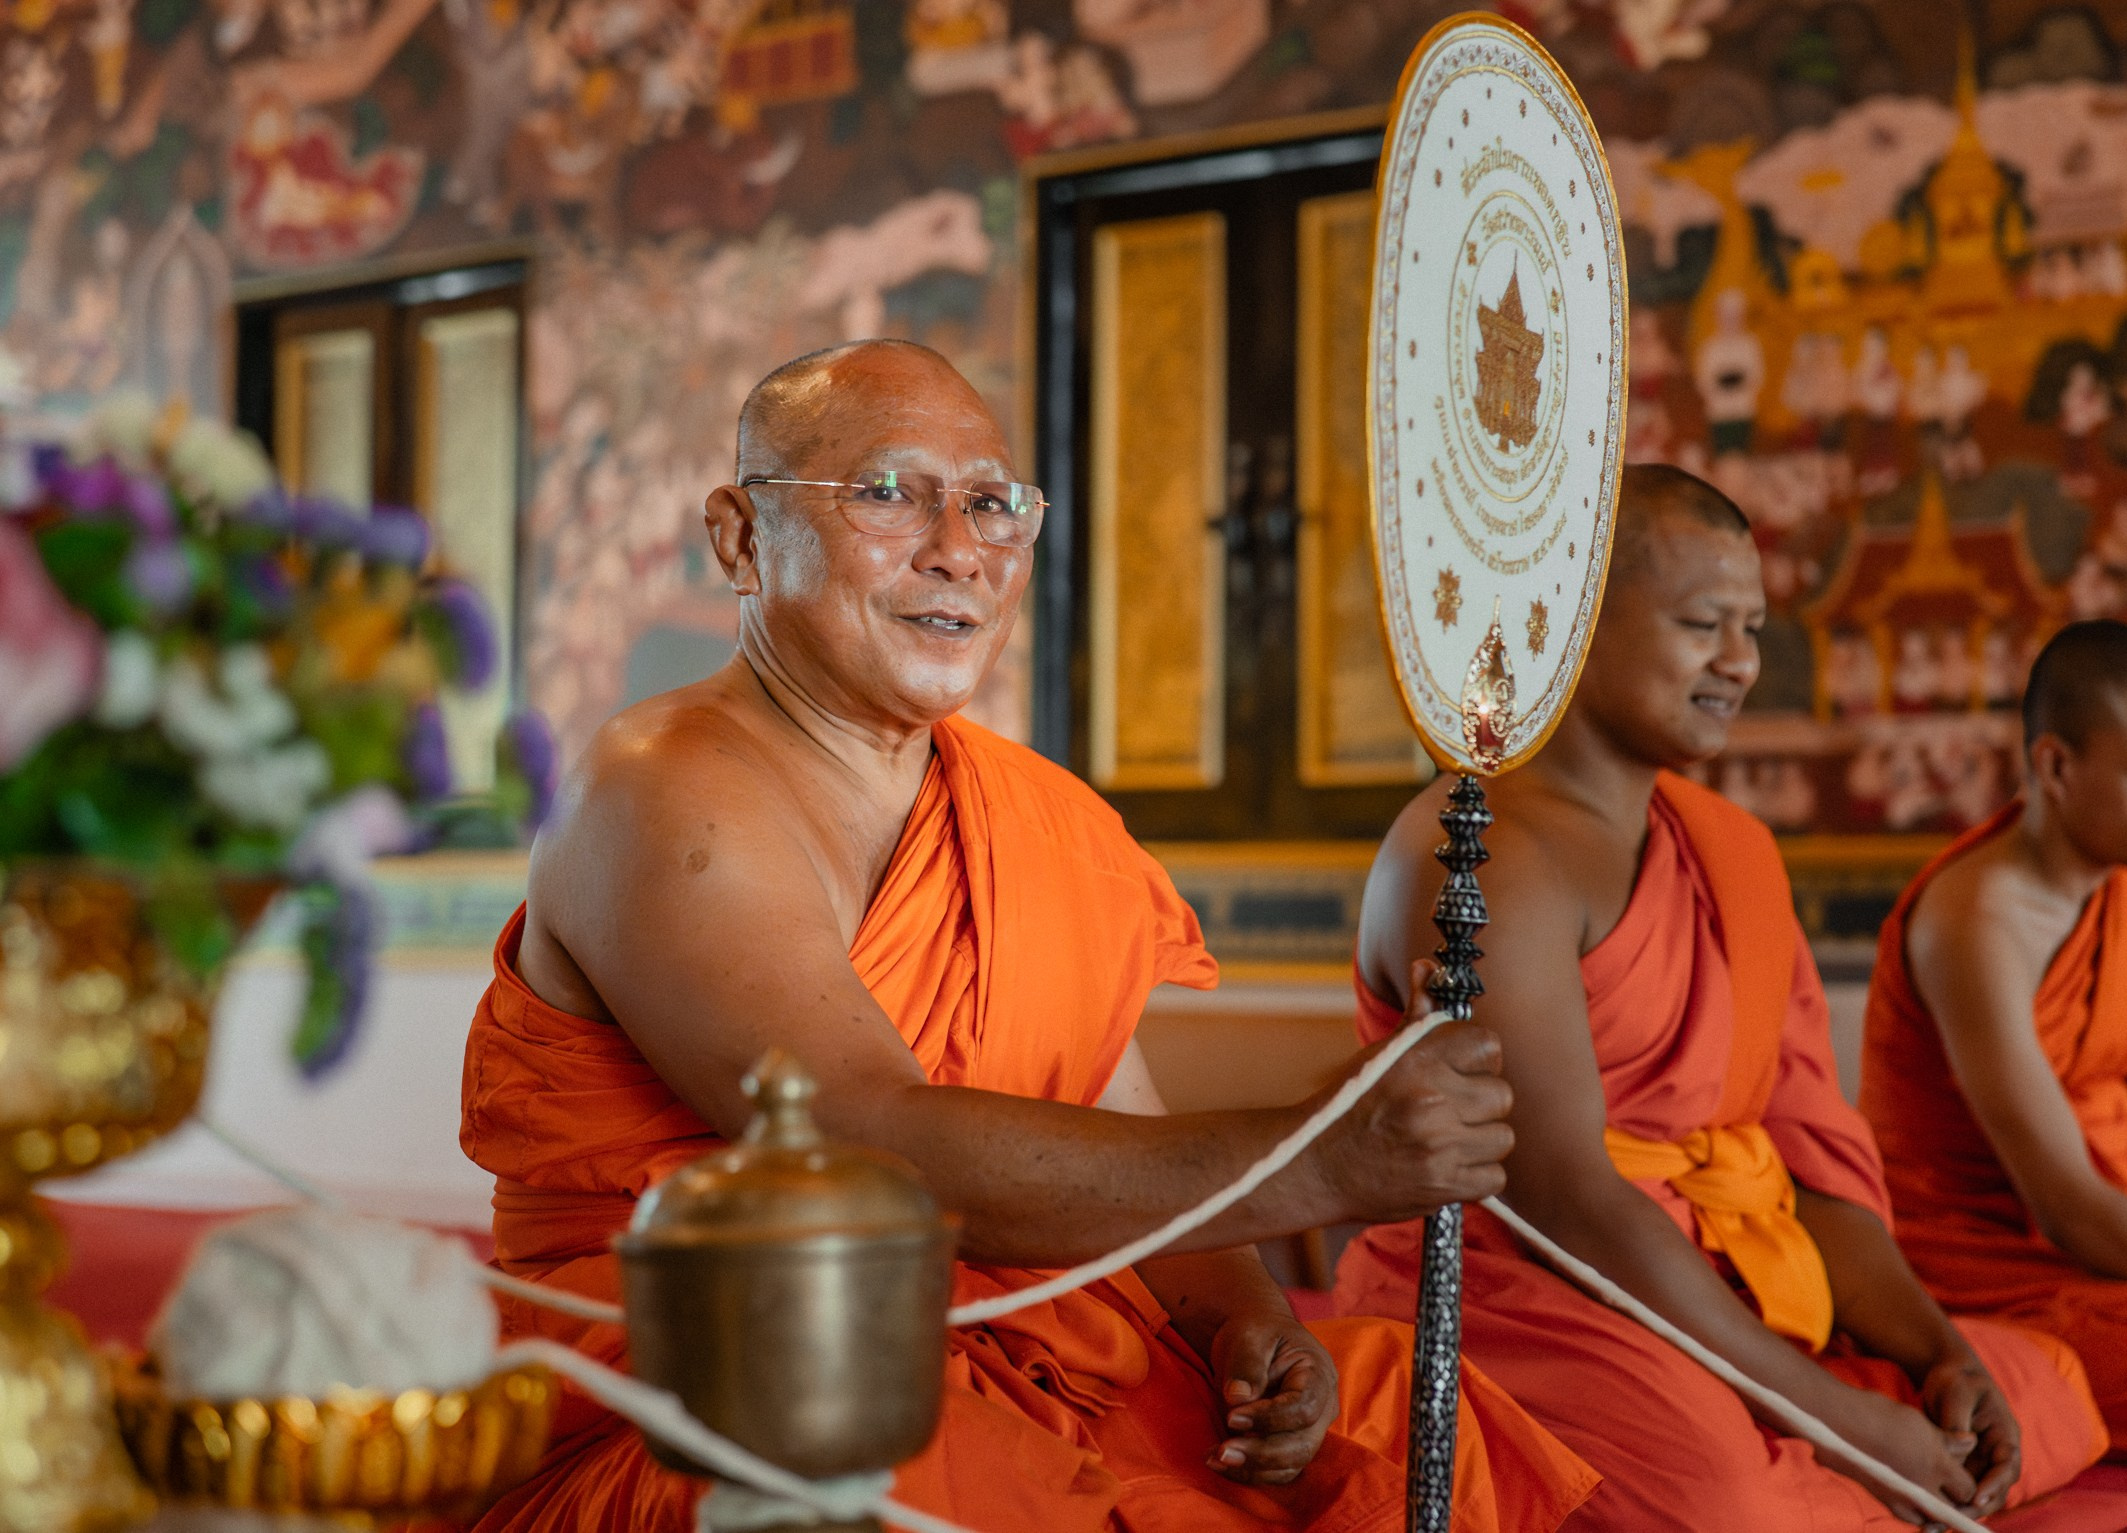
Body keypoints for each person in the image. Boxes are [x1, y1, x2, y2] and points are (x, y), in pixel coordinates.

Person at [460, 340, 1599, 1532]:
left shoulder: (1031, 818)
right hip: (733, 1368)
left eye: (994, 504)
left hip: (1031, 1346)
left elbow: (1109, 1121)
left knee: (1400, 1414)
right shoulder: (661, 786)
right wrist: (1316, 1159)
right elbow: (858, 1149)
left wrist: (1239, 1320)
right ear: (741, 538)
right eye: (888, 493)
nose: (957, 546)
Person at [1337, 465, 2110, 1532]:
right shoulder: (1482, 856)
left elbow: (1806, 1161)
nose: (1739, 664)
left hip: (1734, 1285)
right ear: (1569, 620)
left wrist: (1936, 1352)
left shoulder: (1732, 852)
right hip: (1526, 1298)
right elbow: (1567, 1203)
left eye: (1749, 627)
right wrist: (1839, 1415)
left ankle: (1837, 1455)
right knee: (1720, 1497)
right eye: (1703, 624)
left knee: (2042, 1387)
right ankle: (1823, 1461)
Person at [1861, 619, 2127, 1469]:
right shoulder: (1976, 925)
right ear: (2057, 766)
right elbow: (2062, 1200)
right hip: (1976, 1260)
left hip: (2115, 1233)